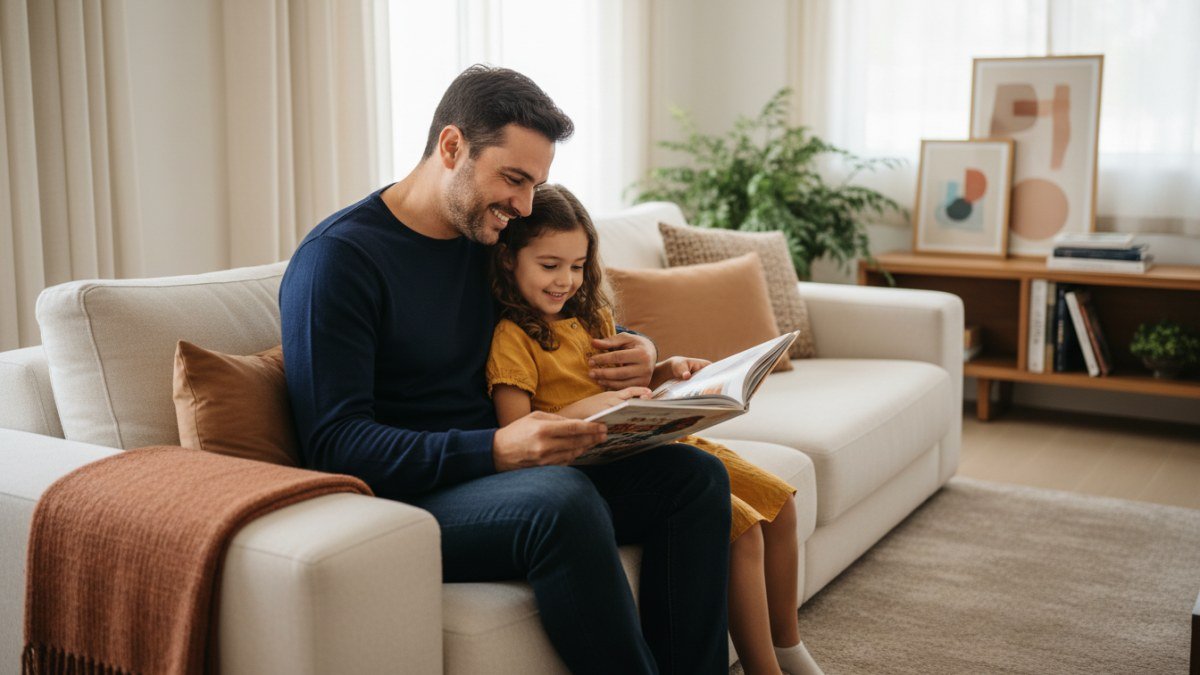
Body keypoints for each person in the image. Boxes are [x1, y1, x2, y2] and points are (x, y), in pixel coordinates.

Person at [278, 65, 732, 674]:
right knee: (561, 500)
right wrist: (497, 448)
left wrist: (639, 349)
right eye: (514, 179)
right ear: (451, 146)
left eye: (535, 184)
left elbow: (557, 314)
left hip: (509, 470)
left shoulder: (488, 237)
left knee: (694, 478)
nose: (523, 205)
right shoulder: (338, 262)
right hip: (408, 497)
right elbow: (336, 444)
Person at [485, 184, 824, 675]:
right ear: (509, 261)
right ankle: (764, 668)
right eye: (549, 265)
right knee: (744, 529)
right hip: (595, 463)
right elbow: (515, 430)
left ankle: (790, 648)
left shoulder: (592, 318)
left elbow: (632, 385)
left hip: (653, 444)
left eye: (578, 266)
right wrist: (593, 406)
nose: (566, 281)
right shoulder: (511, 338)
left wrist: (668, 372)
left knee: (781, 502)